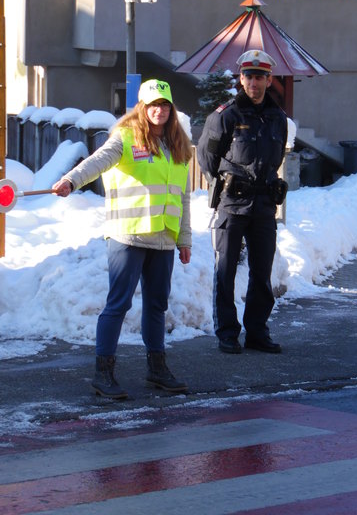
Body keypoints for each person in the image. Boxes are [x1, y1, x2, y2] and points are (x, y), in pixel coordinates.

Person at [52, 79, 192, 399]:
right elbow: (98, 161)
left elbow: (182, 198)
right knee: (119, 303)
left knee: (156, 305)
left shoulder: (178, 148)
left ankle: (157, 370)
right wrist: (72, 180)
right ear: (142, 108)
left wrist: (184, 240)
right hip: (128, 235)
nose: (160, 110)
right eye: (153, 105)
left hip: (163, 239)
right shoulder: (125, 138)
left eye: (165, 105)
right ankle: (104, 374)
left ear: (172, 109)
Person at [197, 49, 288, 355]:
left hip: (263, 207)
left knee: (262, 272)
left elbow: (276, 159)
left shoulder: (277, 118)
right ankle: (226, 332)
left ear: (269, 79)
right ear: (241, 78)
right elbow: (207, 158)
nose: (254, 82)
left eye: (260, 76)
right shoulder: (225, 116)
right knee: (225, 271)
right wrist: (227, 182)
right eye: (249, 76)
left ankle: (257, 332)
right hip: (232, 205)